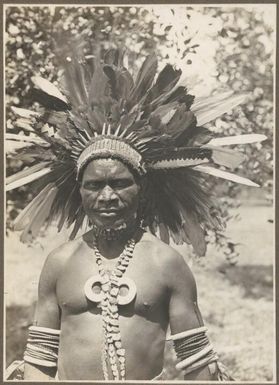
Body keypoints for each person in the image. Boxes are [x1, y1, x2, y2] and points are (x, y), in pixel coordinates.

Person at [6, 46, 266, 381]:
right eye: (95, 185)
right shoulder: (59, 262)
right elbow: (39, 361)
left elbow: (200, 364)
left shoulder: (166, 263)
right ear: (80, 190)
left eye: (120, 183)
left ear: (140, 189)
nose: (107, 196)